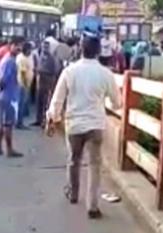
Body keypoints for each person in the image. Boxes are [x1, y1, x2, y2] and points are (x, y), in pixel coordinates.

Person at [47, 35, 122, 219]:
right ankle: (93, 206)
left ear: (80, 49)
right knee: (95, 164)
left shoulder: (69, 71)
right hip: (96, 124)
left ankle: (73, 194)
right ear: (98, 51)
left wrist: (52, 118)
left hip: (74, 124)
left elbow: (57, 99)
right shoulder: (106, 74)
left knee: (74, 159)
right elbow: (117, 102)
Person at [0, 38, 23, 157]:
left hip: (4, 95)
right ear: (10, 45)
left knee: (2, 122)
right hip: (9, 95)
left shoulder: (6, 59)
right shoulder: (10, 61)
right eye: (17, 46)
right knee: (8, 124)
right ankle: (9, 149)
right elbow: (3, 80)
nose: (19, 48)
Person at [32, 40, 58, 127]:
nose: (44, 49)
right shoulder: (40, 56)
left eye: (46, 47)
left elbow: (54, 71)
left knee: (46, 103)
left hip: (47, 83)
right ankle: (38, 120)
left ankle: (44, 121)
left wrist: (42, 71)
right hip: (40, 82)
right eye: (43, 47)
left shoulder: (52, 58)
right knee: (38, 102)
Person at [16, 41, 34, 129]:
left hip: (25, 83)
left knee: (22, 103)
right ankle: (19, 122)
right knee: (21, 104)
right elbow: (23, 73)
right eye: (30, 50)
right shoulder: (22, 58)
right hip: (22, 84)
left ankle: (19, 121)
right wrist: (26, 84)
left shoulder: (26, 57)